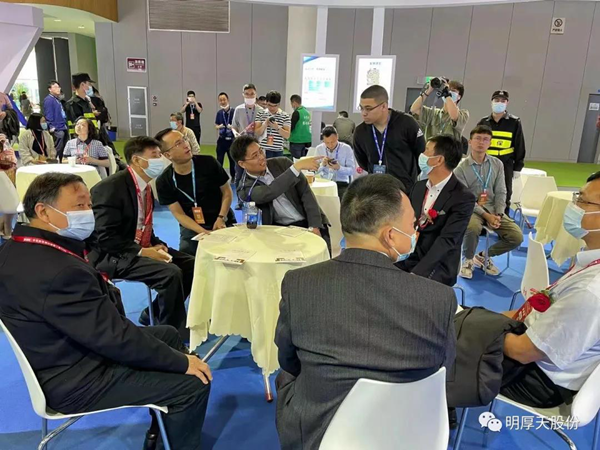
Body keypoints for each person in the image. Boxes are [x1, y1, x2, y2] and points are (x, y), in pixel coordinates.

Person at [0, 173, 211, 450]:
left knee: (169, 334)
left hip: (62, 351)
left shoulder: (17, 248)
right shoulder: (59, 271)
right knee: (193, 384)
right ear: (43, 211)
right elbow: (114, 338)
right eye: (79, 206)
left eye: (89, 205)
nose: (88, 213)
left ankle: (162, 428)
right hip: (77, 377)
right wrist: (181, 363)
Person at [275, 174, 457, 450]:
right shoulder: (438, 298)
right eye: (412, 224)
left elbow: (288, 360)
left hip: (318, 433)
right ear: (390, 235)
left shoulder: (299, 283)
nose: (415, 231)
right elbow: (443, 368)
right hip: (406, 431)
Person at [492, 171, 600, 408]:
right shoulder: (590, 263)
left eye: (583, 201)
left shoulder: (591, 290)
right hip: (535, 348)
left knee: (446, 343)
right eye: (577, 197)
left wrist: (483, 331)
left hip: (536, 377)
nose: (574, 206)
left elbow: (523, 351)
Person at [89, 137, 195, 339]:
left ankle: (155, 314)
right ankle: (172, 335)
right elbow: (105, 237)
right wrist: (142, 251)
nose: (160, 160)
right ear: (137, 160)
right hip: (113, 254)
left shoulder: (145, 186)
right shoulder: (110, 188)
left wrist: (157, 244)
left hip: (139, 245)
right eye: (154, 155)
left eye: (160, 154)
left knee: (191, 264)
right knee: (170, 273)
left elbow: (142, 225)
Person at [396, 134, 475, 286]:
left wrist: (417, 273)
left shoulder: (463, 197)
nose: (422, 155)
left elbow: (447, 240)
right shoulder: (418, 187)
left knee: (408, 289)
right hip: (410, 253)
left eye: (426, 151)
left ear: (439, 160)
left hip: (439, 262)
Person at [455, 125, 523, 278]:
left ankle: (483, 256)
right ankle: (468, 260)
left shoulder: (497, 164)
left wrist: (498, 214)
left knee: (517, 236)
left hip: (493, 208)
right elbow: (465, 199)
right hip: (472, 208)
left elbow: (501, 191)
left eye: (485, 139)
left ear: (490, 143)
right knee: (472, 227)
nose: (481, 142)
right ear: (470, 142)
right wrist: (486, 216)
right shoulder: (460, 169)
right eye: (478, 138)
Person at [156, 129, 235, 256]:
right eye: (178, 143)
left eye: (184, 139)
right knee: (187, 257)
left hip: (222, 218)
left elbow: (227, 192)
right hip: (191, 226)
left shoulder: (209, 163)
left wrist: (221, 218)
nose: (186, 144)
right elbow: (179, 214)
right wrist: (202, 231)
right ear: (167, 155)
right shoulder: (164, 181)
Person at [231, 135, 329, 237]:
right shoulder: (244, 188)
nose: (261, 157)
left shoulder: (282, 163)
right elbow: (269, 192)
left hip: (307, 221)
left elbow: (306, 194)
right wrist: (296, 167)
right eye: (255, 156)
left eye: (261, 151)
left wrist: (314, 226)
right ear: (242, 164)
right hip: (278, 231)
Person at [354, 85, 425, 192]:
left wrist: (409, 178)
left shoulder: (406, 123)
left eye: (368, 108)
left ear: (383, 106)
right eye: (361, 108)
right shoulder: (360, 132)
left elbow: (420, 153)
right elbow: (362, 162)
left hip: (405, 189)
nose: (364, 113)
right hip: (375, 190)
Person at [477, 90, 526, 215]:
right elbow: (477, 143)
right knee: (483, 192)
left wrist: (518, 167)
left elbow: (519, 144)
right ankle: (483, 218)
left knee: (504, 193)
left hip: (505, 164)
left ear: (507, 103)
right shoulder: (484, 122)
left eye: (503, 101)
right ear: (491, 102)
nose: (499, 103)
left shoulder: (514, 122)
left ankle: (502, 219)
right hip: (486, 163)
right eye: (497, 100)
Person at [231, 83, 265, 207]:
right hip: (241, 146)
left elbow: (263, 130)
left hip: (256, 147)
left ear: (256, 94)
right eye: (247, 94)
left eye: (252, 94)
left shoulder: (261, 111)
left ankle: (257, 200)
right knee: (239, 174)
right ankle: (240, 200)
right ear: (243, 95)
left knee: (258, 174)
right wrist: (235, 133)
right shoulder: (238, 109)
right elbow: (234, 126)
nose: (249, 96)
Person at [314, 126, 355, 199]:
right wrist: (322, 165)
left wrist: (339, 168)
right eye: (327, 142)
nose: (330, 145)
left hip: (341, 183)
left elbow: (352, 170)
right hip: (324, 182)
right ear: (323, 140)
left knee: (341, 199)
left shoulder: (346, 148)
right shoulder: (319, 149)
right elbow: (315, 171)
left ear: (337, 137)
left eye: (332, 142)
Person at [255, 91, 291, 159]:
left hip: (278, 150)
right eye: (269, 105)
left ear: (279, 104)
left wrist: (277, 128)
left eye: (275, 106)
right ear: (266, 102)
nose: (272, 108)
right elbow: (257, 133)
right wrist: (265, 124)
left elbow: (287, 135)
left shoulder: (285, 116)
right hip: (263, 149)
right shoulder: (260, 114)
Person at [64, 73, 100, 139]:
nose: (90, 87)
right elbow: (78, 127)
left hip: (91, 139)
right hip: (81, 141)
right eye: (88, 84)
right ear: (82, 85)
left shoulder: (86, 102)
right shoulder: (73, 104)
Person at [43, 80, 68, 161]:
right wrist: (51, 126)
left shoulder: (56, 99)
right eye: (55, 87)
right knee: (57, 148)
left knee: (62, 148)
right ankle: (53, 162)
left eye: (58, 87)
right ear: (50, 89)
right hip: (57, 128)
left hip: (62, 126)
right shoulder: (49, 100)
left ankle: (59, 161)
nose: (58, 89)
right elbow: (48, 114)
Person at [214, 92, 235, 179]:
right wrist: (218, 127)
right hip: (221, 140)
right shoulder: (219, 113)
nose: (222, 102)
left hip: (232, 140)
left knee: (232, 161)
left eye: (224, 99)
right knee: (219, 160)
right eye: (220, 100)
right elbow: (216, 125)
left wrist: (233, 127)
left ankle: (233, 177)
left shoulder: (234, 112)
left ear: (228, 100)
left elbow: (238, 125)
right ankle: (219, 178)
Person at [289, 94, 312, 159]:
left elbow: (291, 127)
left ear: (294, 102)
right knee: (302, 161)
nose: (292, 106)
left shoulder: (297, 112)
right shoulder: (307, 112)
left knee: (296, 161)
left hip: (296, 140)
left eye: (291, 103)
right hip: (306, 140)